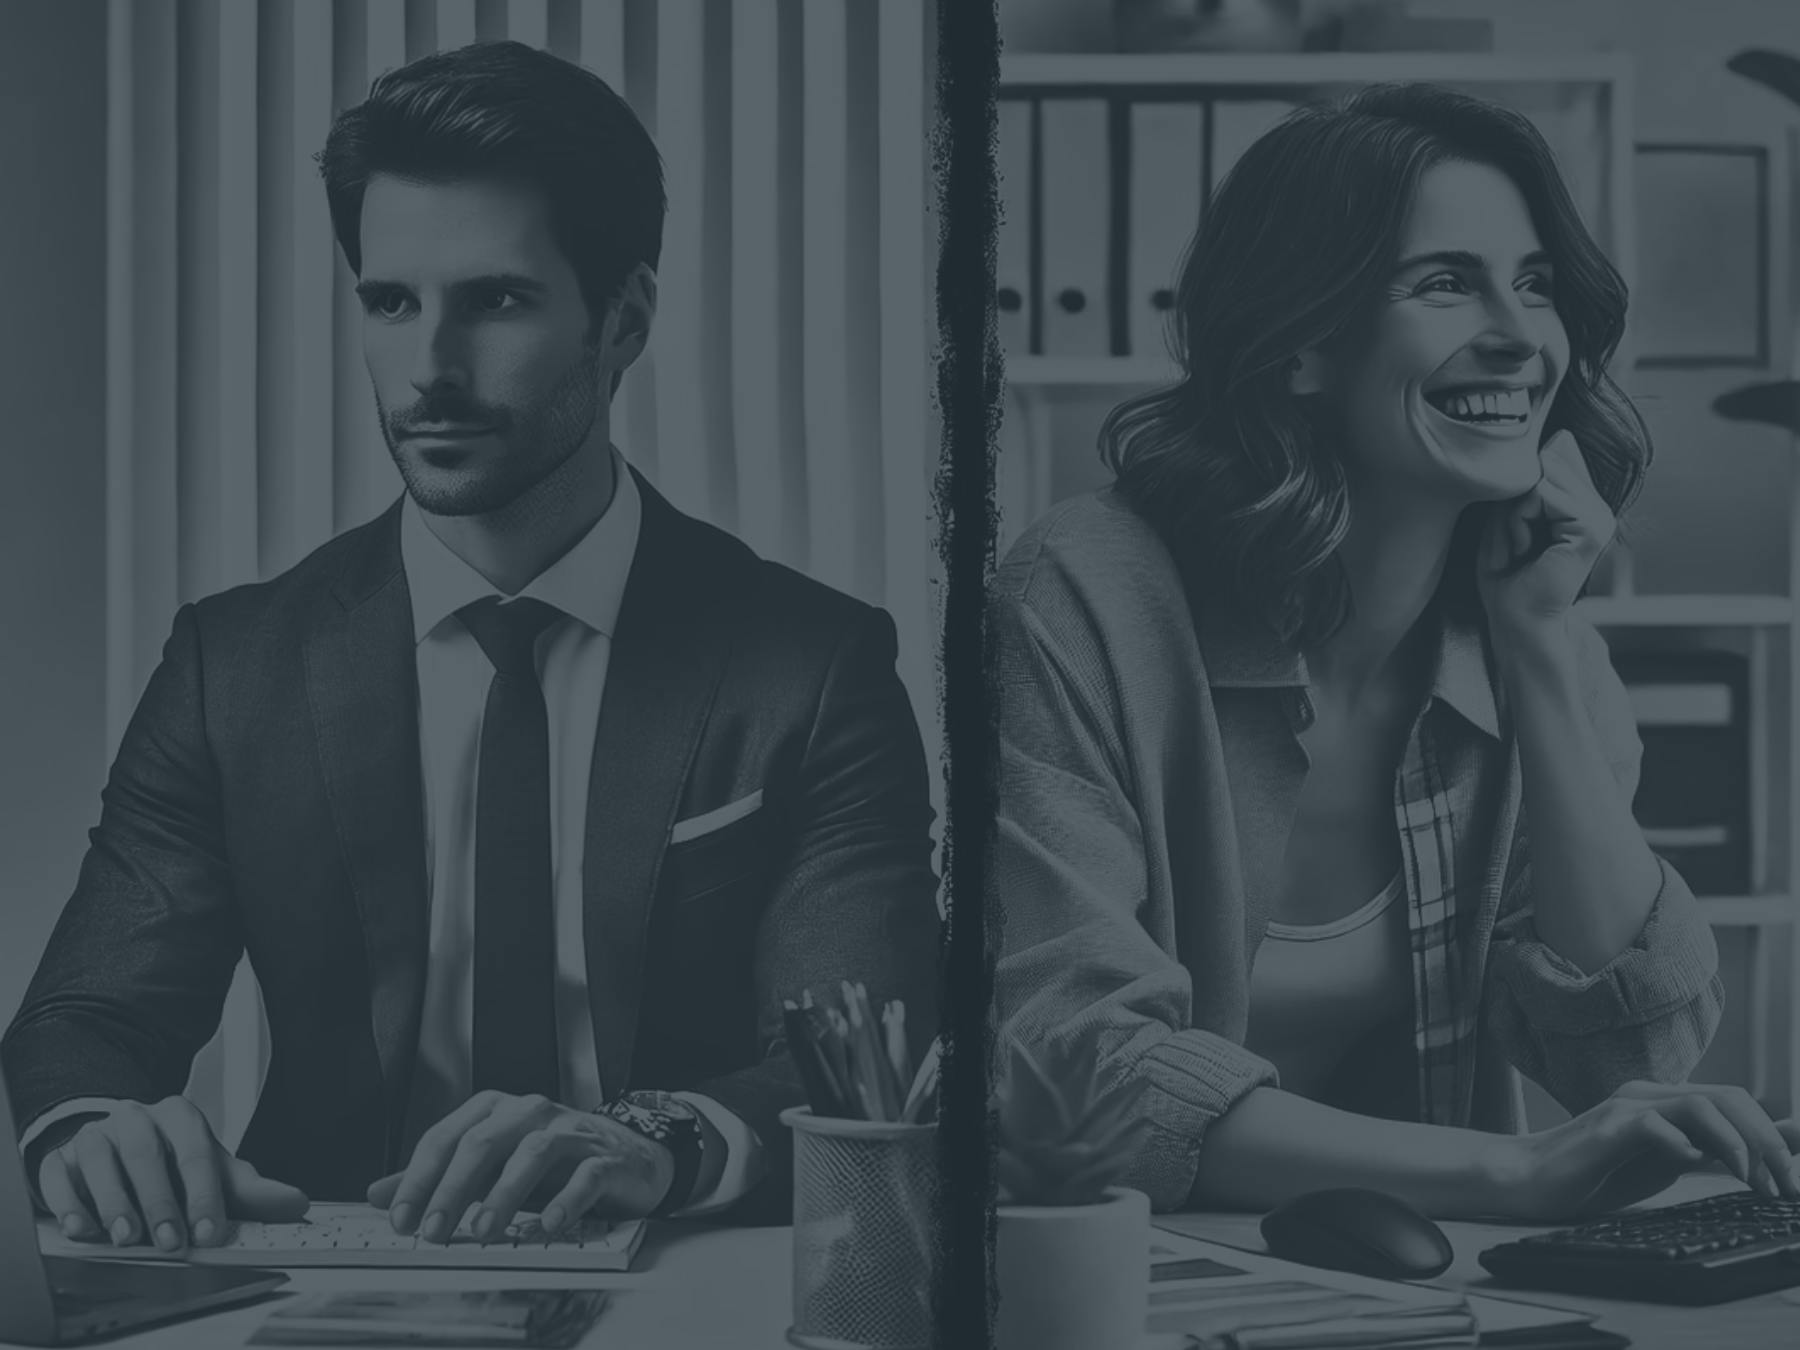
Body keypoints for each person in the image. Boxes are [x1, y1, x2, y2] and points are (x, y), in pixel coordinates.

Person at [2, 40, 939, 1248]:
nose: (430, 372)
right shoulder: (230, 665)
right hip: (327, 1261)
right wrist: (93, 1127)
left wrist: (654, 1144)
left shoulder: (810, 665)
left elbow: (862, 1051)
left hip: (678, 1276)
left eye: (496, 300)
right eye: (391, 303)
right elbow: (87, 1019)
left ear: (627, 319)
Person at [992, 82, 1799, 1222]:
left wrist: (1538, 649)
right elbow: (1071, 1067)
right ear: (1302, 347)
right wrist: (1511, 1172)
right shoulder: (1081, 598)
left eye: (1535, 285)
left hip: (1423, 1288)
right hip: (1131, 1284)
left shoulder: (1531, 630)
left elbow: (1635, 1056)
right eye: (1445, 283)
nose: (1524, 339)